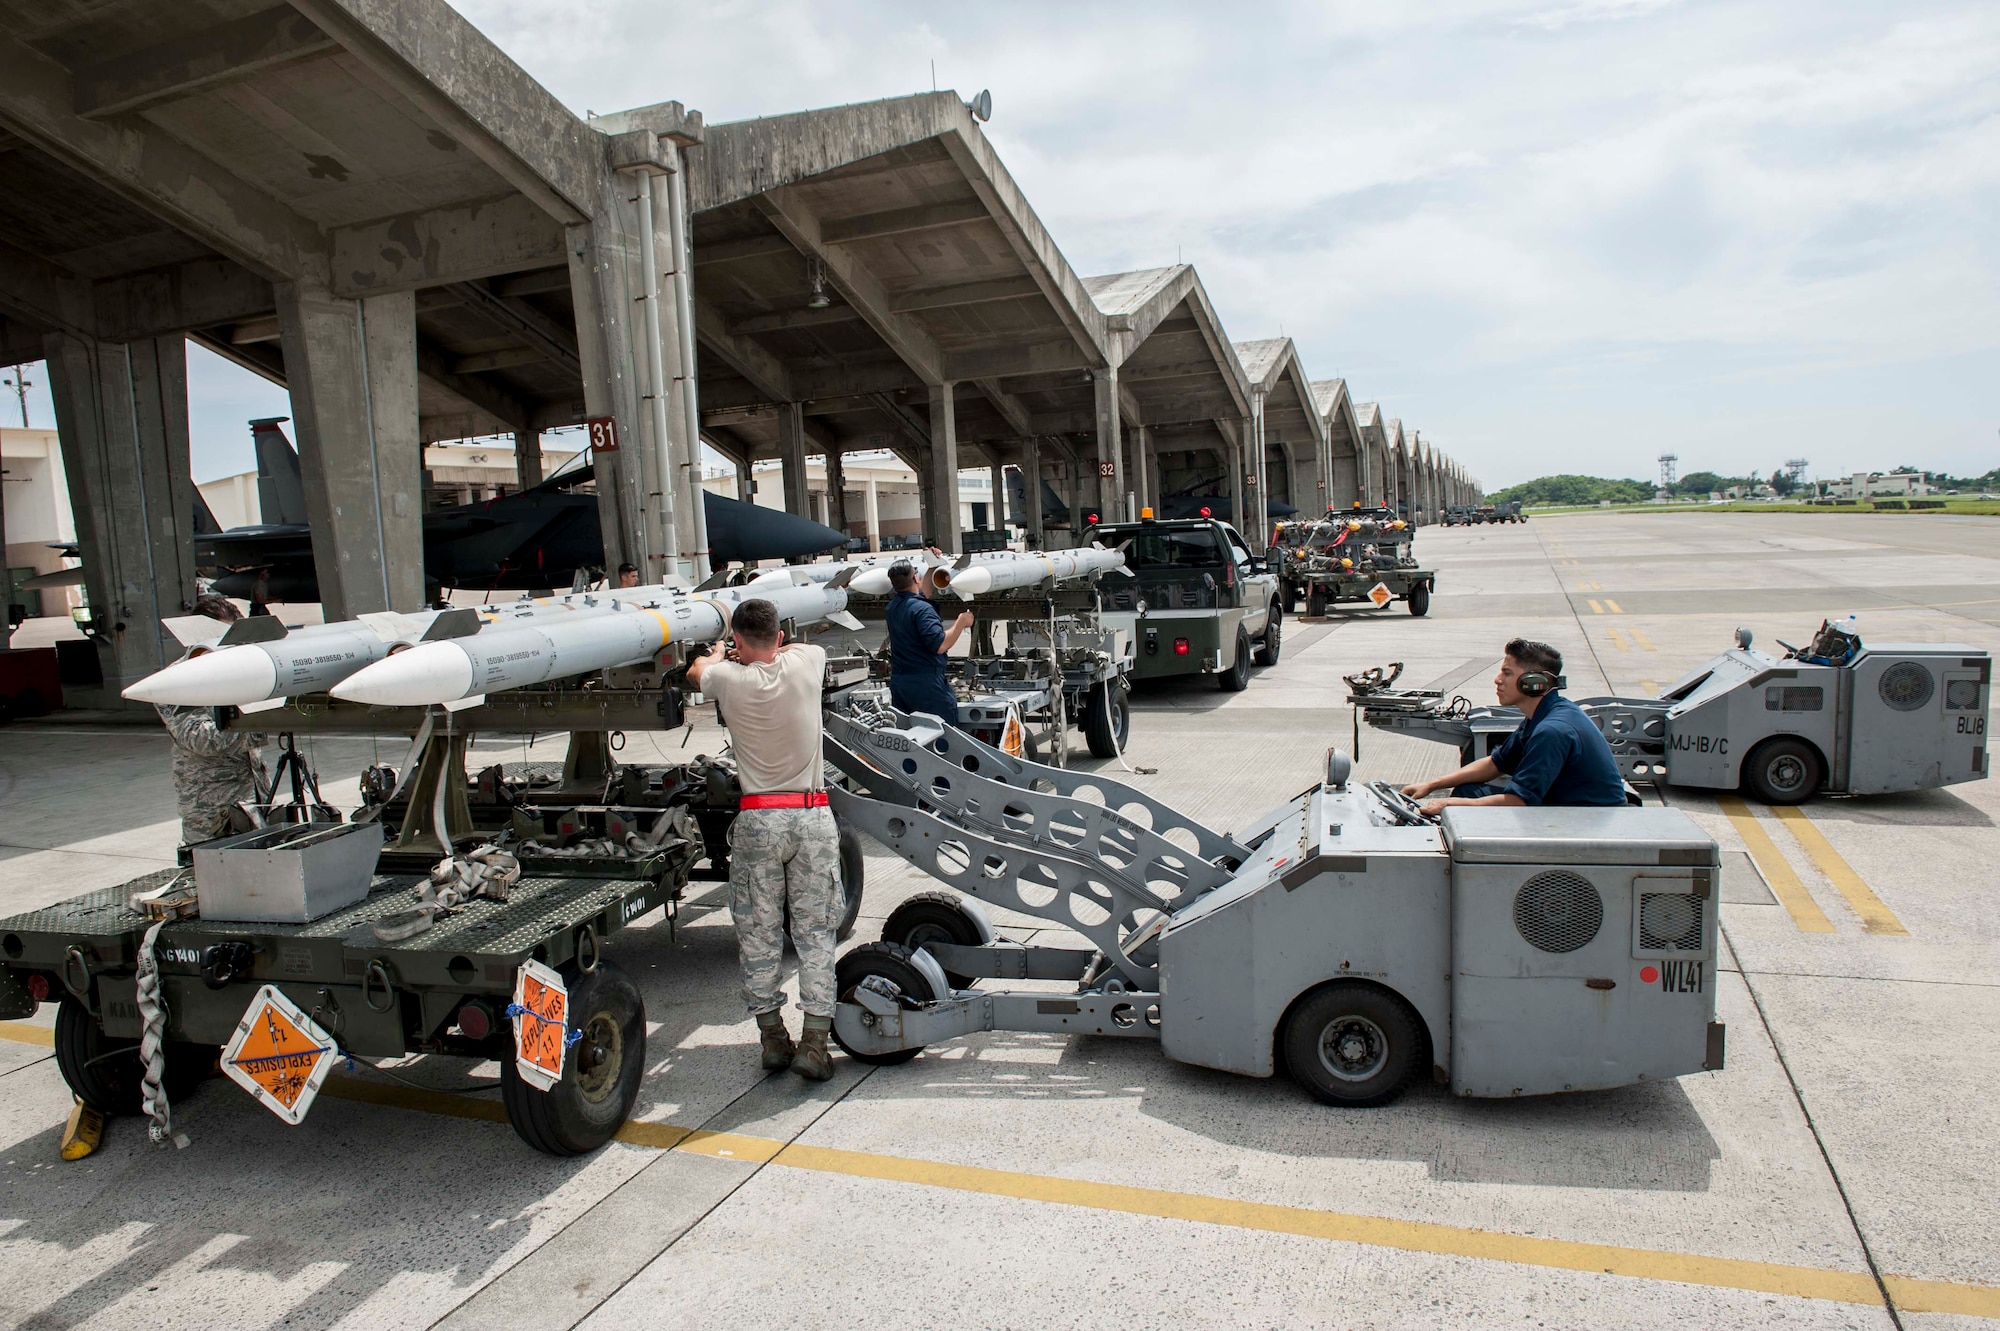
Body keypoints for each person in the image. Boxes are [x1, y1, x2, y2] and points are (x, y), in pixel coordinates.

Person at [687, 597, 842, 1080]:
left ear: (735, 640)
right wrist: (761, 647)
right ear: (778, 636)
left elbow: (696, 674)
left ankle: (773, 1037)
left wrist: (717, 655)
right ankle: (815, 1042)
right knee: (815, 933)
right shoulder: (806, 663)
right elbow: (796, 647)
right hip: (812, 816)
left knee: (759, 933)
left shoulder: (727, 679)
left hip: (759, 820)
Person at [1402, 639, 1626, 815]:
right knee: (1468, 791)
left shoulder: (1552, 731)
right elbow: (1495, 764)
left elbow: (1517, 802)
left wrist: (1448, 804)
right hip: (1568, 807)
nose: (1497, 680)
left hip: (1588, 819)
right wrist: (1431, 784)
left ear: (1534, 682)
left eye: (1507, 673)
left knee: (1464, 806)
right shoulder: (1543, 715)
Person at [156, 594, 266, 844]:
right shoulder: (175, 681)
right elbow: (203, 740)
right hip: (209, 812)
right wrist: (248, 708)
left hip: (253, 800)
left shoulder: (240, 672)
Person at [884, 557, 973, 722]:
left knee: (910, 738)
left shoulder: (893, 608)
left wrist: (933, 567)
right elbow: (939, 645)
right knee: (943, 738)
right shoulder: (923, 610)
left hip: (901, 684)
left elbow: (920, 594)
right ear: (915, 578)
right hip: (926, 686)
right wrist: (961, 622)